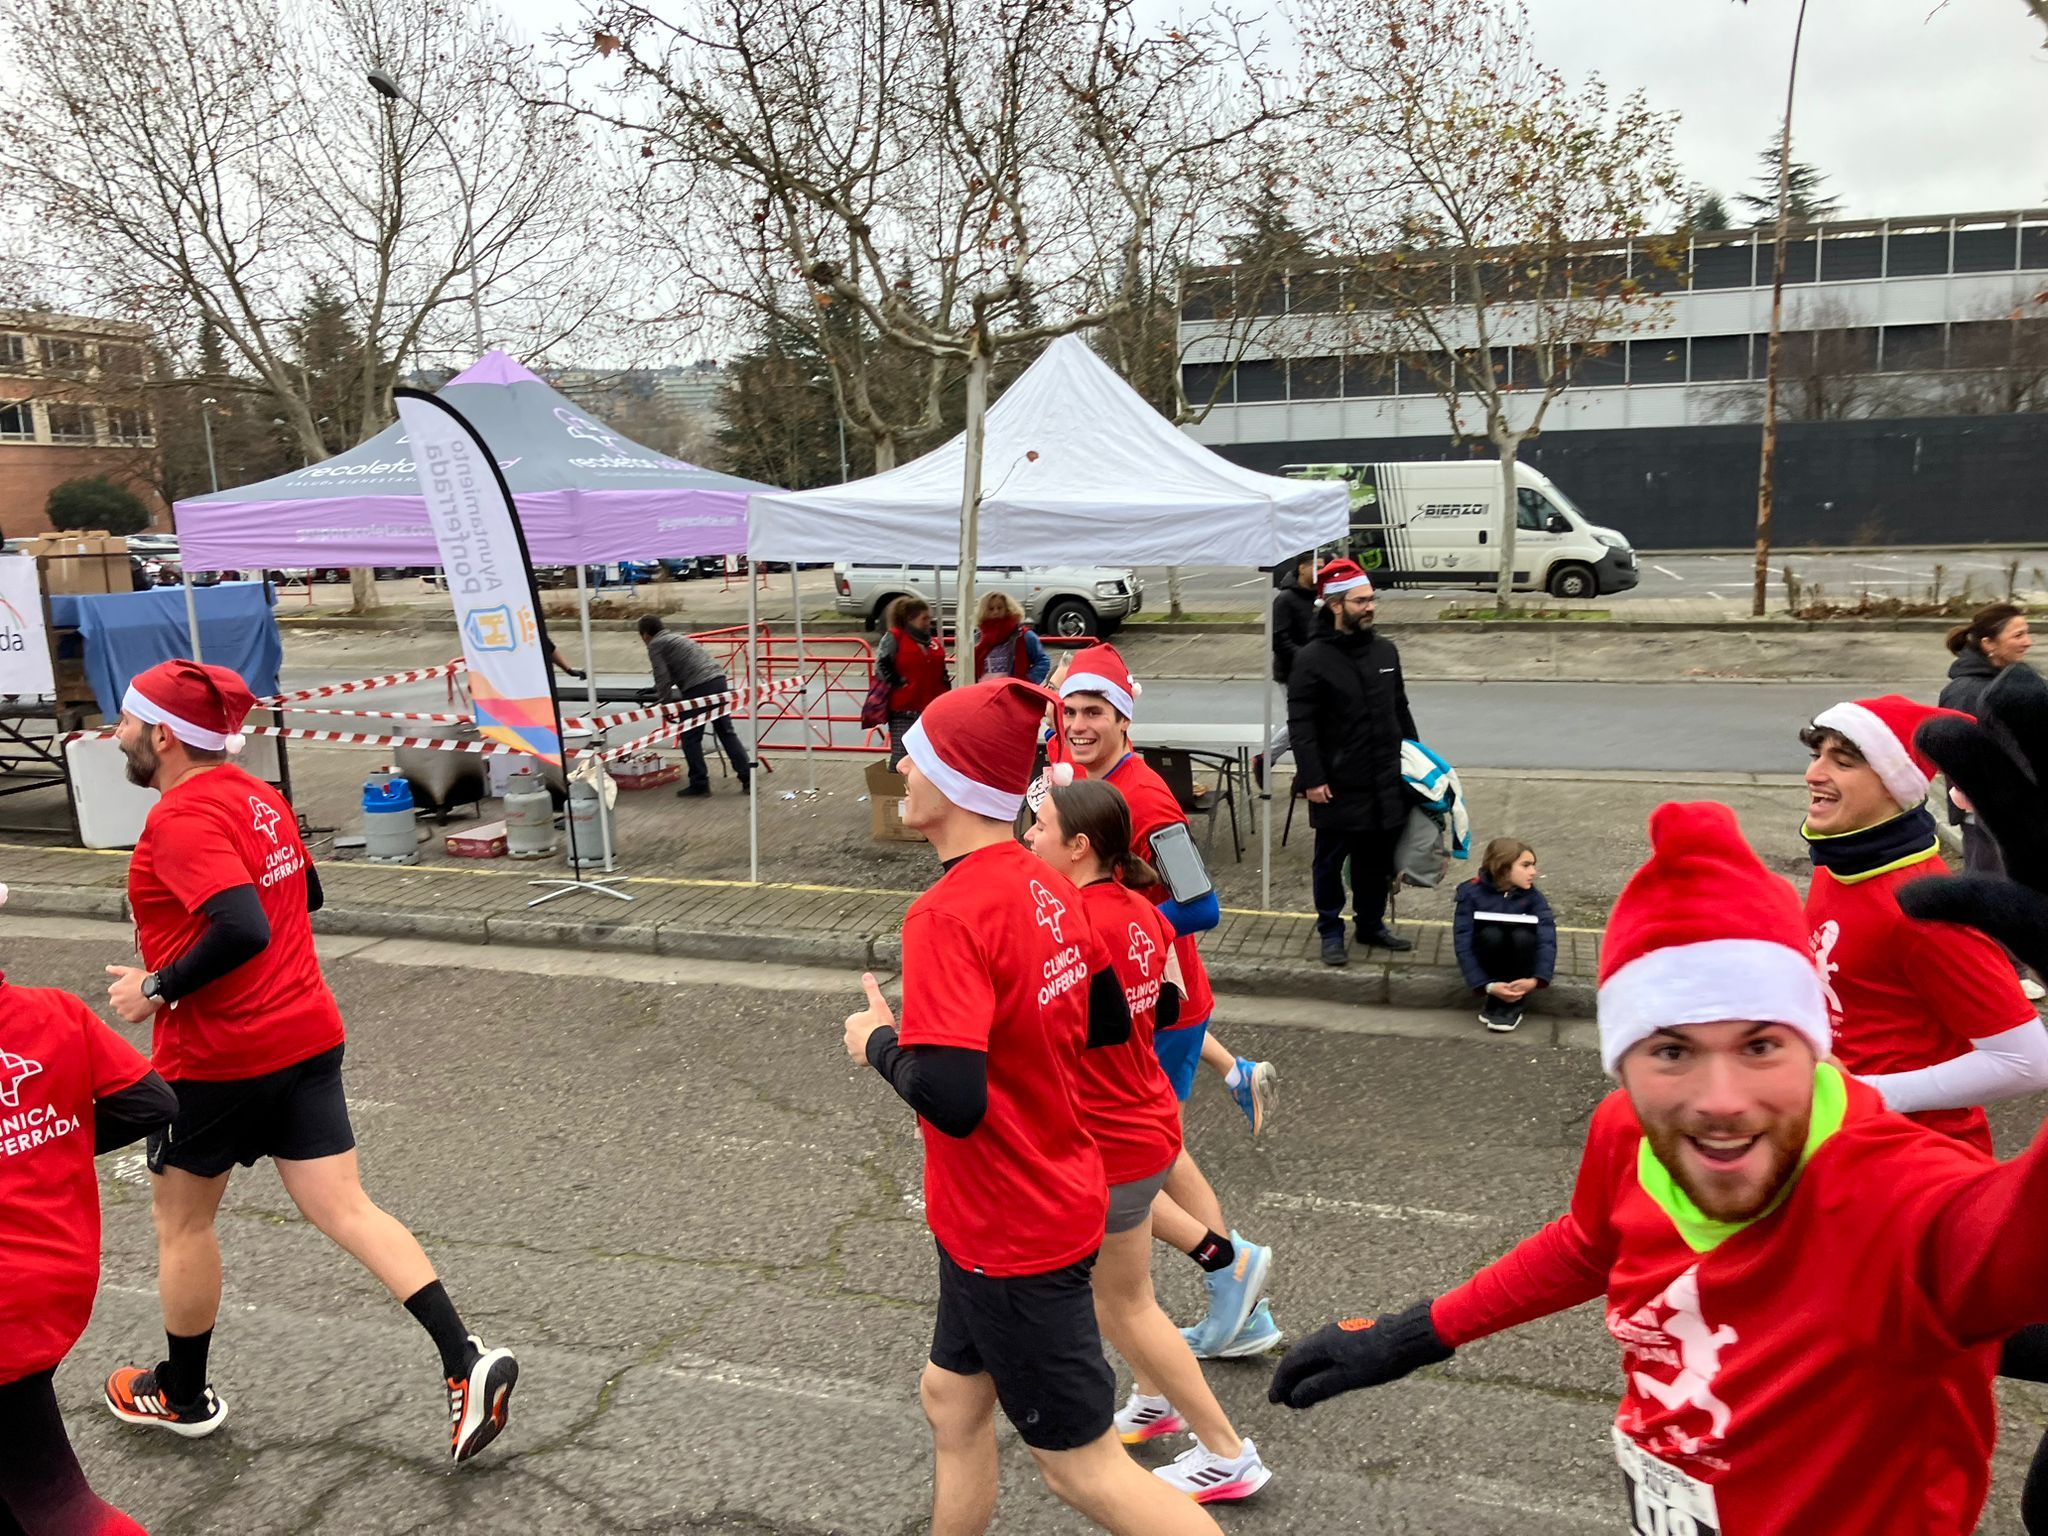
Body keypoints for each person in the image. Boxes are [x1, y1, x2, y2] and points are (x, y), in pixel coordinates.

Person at [1270, 767, 2048, 1536]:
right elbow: (1588, 1246)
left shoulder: (1909, 1204)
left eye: (1761, 1046)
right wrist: (1417, 1334)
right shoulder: (1626, 1130)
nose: (1720, 1101)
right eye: (1671, 1052)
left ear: (1815, 1050)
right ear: (1624, 1064)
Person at [97, 660, 518, 1463]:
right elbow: (306, 898)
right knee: (346, 1208)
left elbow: (244, 926)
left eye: (125, 721)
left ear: (163, 733)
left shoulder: (180, 818)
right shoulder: (261, 799)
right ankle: (467, 1361)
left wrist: (156, 986)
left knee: (182, 1223)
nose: (116, 735)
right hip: (306, 1036)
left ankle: (181, 1396)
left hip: (219, 1058)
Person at [839, 678, 1224, 1536]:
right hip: (1031, 1200)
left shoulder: (945, 914)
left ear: (955, 780)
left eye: (919, 755)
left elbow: (954, 1099)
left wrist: (880, 1043)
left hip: (1008, 1232)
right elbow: (1089, 1025)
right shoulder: (1044, 882)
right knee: (951, 1401)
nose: (900, 765)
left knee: (1084, 1472)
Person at [1024, 777, 1273, 1503]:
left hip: (1112, 1136)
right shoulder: (1142, 911)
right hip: (1149, 1115)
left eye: (1038, 827)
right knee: (1129, 1275)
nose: (1028, 838)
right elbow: (1166, 1006)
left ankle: (1227, 1453)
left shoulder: (1075, 924)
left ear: (1078, 847)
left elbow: (1061, 1036)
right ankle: (1160, 1390)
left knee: (1123, 1304)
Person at [1049, 643, 1282, 1361]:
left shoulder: (1144, 796)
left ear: (1124, 721)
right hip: (1133, 1003)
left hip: (1164, 1007)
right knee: (1159, 1154)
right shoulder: (1082, 775)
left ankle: (1229, 1280)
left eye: (1094, 713)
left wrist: (1120, 934)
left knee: (1136, 1160)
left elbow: (1202, 904)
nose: (1079, 725)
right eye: (1071, 712)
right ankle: (1238, 1297)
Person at [1799, 694, 2044, 1155]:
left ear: (1894, 784)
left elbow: (2028, 1061)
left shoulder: (1925, 908)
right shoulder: (1833, 865)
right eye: (1816, 755)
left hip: (1921, 1158)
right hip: (1841, 1139)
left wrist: (1869, 1094)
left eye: (1844, 762)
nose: (1813, 774)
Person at [3, 885, 175, 1536]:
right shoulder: (54, 1015)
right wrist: (55, 1141)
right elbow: (153, 1103)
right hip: (55, 1281)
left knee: (60, 1507)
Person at [1286, 558, 1418, 967]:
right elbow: (1301, 725)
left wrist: (1418, 764)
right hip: (1337, 785)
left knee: (1375, 860)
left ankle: (1371, 924)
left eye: (1372, 599)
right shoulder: (1311, 658)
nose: (1371, 607)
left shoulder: (1385, 651)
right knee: (1329, 862)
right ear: (1336, 606)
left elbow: (1401, 709)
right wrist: (1312, 777)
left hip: (1384, 779)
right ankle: (1330, 930)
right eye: (1361, 601)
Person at [1939, 602, 2040, 997]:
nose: (2027, 641)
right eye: (2018, 635)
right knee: (1991, 886)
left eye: (2026, 632)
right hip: (1986, 807)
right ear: (1989, 643)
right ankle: (1999, 973)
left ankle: (2005, 966)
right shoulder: (1969, 691)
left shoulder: (1995, 683)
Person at [637, 615, 750, 798]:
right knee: (725, 731)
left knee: (689, 736)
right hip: (718, 681)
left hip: (698, 687)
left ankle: (699, 783)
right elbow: (679, 669)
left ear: (646, 635)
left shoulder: (656, 645)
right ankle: (747, 777)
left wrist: (665, 705)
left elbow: (662, 676)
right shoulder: (678, 637)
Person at [1452, 839, 1557, 1034]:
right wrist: (1486, 986)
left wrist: (1537, 979)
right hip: (1487, 961)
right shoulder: (1470, 894)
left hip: (1522, 962)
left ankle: (1512, 1003)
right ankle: (1496, 997)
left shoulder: (1535, 898)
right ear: (1502, 867)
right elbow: (1463, 942)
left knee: (1522, 937)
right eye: (1526, 865)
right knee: (1491, 934)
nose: (1533, 872)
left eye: (1533, 865)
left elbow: (1547, 940)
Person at [1253, 552, 1318, 789]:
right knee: (1302, 722)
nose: (1319, 572)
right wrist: (1306, 657)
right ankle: (1267, 759)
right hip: (1291, 672)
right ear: (1302, 568)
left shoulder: (1319, 597)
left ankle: (1304, 775)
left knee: (1314, 722)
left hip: (1317, 672)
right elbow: (1278, 638)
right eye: (1315, 567)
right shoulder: (1285, 600)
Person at [877, 595, 950, 770]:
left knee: (929, 755)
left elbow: (942, 670)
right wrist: (899, 682)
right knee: (902, 755)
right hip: (904, 708)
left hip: (931, 708)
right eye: (924, 618)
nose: (928, 623)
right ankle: (895, 792)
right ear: (910, 619)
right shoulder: (895, 637)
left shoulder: (931, 642)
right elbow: (882, 664)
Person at [970, 592, 1051, 685]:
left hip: (1013, 692)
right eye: (991, 609)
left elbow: (1043, 661)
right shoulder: (978, 637)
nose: (995, 612)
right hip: (984, 692)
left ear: (1008, 609)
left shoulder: (1023, 635)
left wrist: (1027, 683)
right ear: (984, 611)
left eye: (1000, 608)